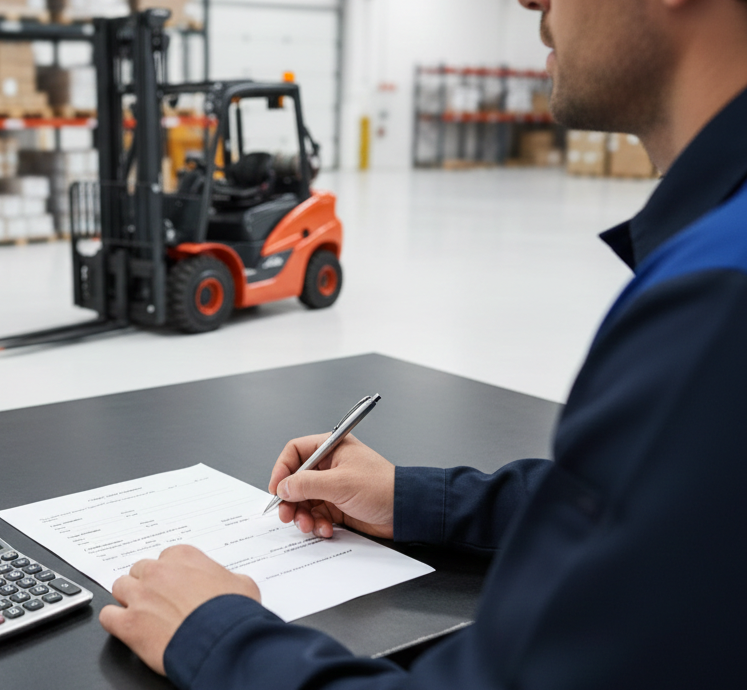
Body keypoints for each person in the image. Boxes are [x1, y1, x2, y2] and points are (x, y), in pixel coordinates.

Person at [97, 0, 747, 687]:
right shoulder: (714, 266)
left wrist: (217, 637)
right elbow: (650, 517)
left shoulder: (715, 306)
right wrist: (415, 499)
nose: (529, 1)